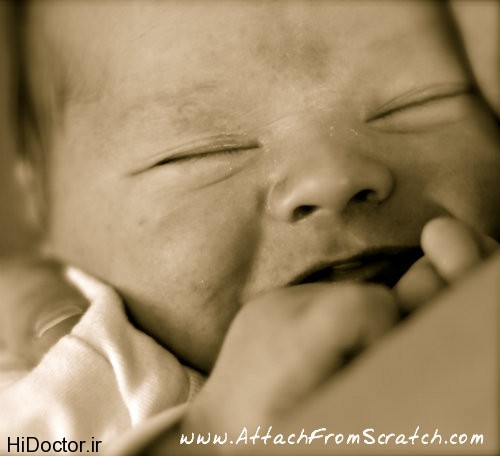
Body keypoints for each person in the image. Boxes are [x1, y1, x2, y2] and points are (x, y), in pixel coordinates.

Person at [0, 0, 498, 453]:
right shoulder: (68, 384)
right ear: (39, 212)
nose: (330, 179)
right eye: (202, 153)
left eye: (418, 104)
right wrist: (209, 437)